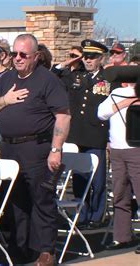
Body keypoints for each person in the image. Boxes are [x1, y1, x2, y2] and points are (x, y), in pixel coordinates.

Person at [0, 33, 71, 265]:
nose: (18, 58)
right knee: (14, 201)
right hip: (10, 149)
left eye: (24, 54)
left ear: (36, 56)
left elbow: (62, 116)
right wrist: (5, 100)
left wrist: (56, 149)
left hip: (37, 147)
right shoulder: (7, 78)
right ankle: (20, 250)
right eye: (14, 54)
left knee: (41, 199)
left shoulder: (48, 80)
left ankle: (45, 250)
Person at [66, 39, 110, 230]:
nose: (88, 60)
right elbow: (56, 75)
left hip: (96, 135)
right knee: (80, 179)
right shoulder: (76, 76)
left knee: (98, 180)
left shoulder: (108, 79)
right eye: (86, 57)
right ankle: (81, 214)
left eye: (93, 57)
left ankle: (96, 215)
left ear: (101, 58)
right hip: (78, 135)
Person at [98, 76, 140, 253]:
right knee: (120, 193)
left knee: (125, 193)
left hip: (133, 149)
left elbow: (102, 113)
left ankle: (122, 236)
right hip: (118, 150)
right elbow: (101, 113)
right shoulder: (117, 94)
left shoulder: (121, 94)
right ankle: (121, 236)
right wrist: (121, 104)